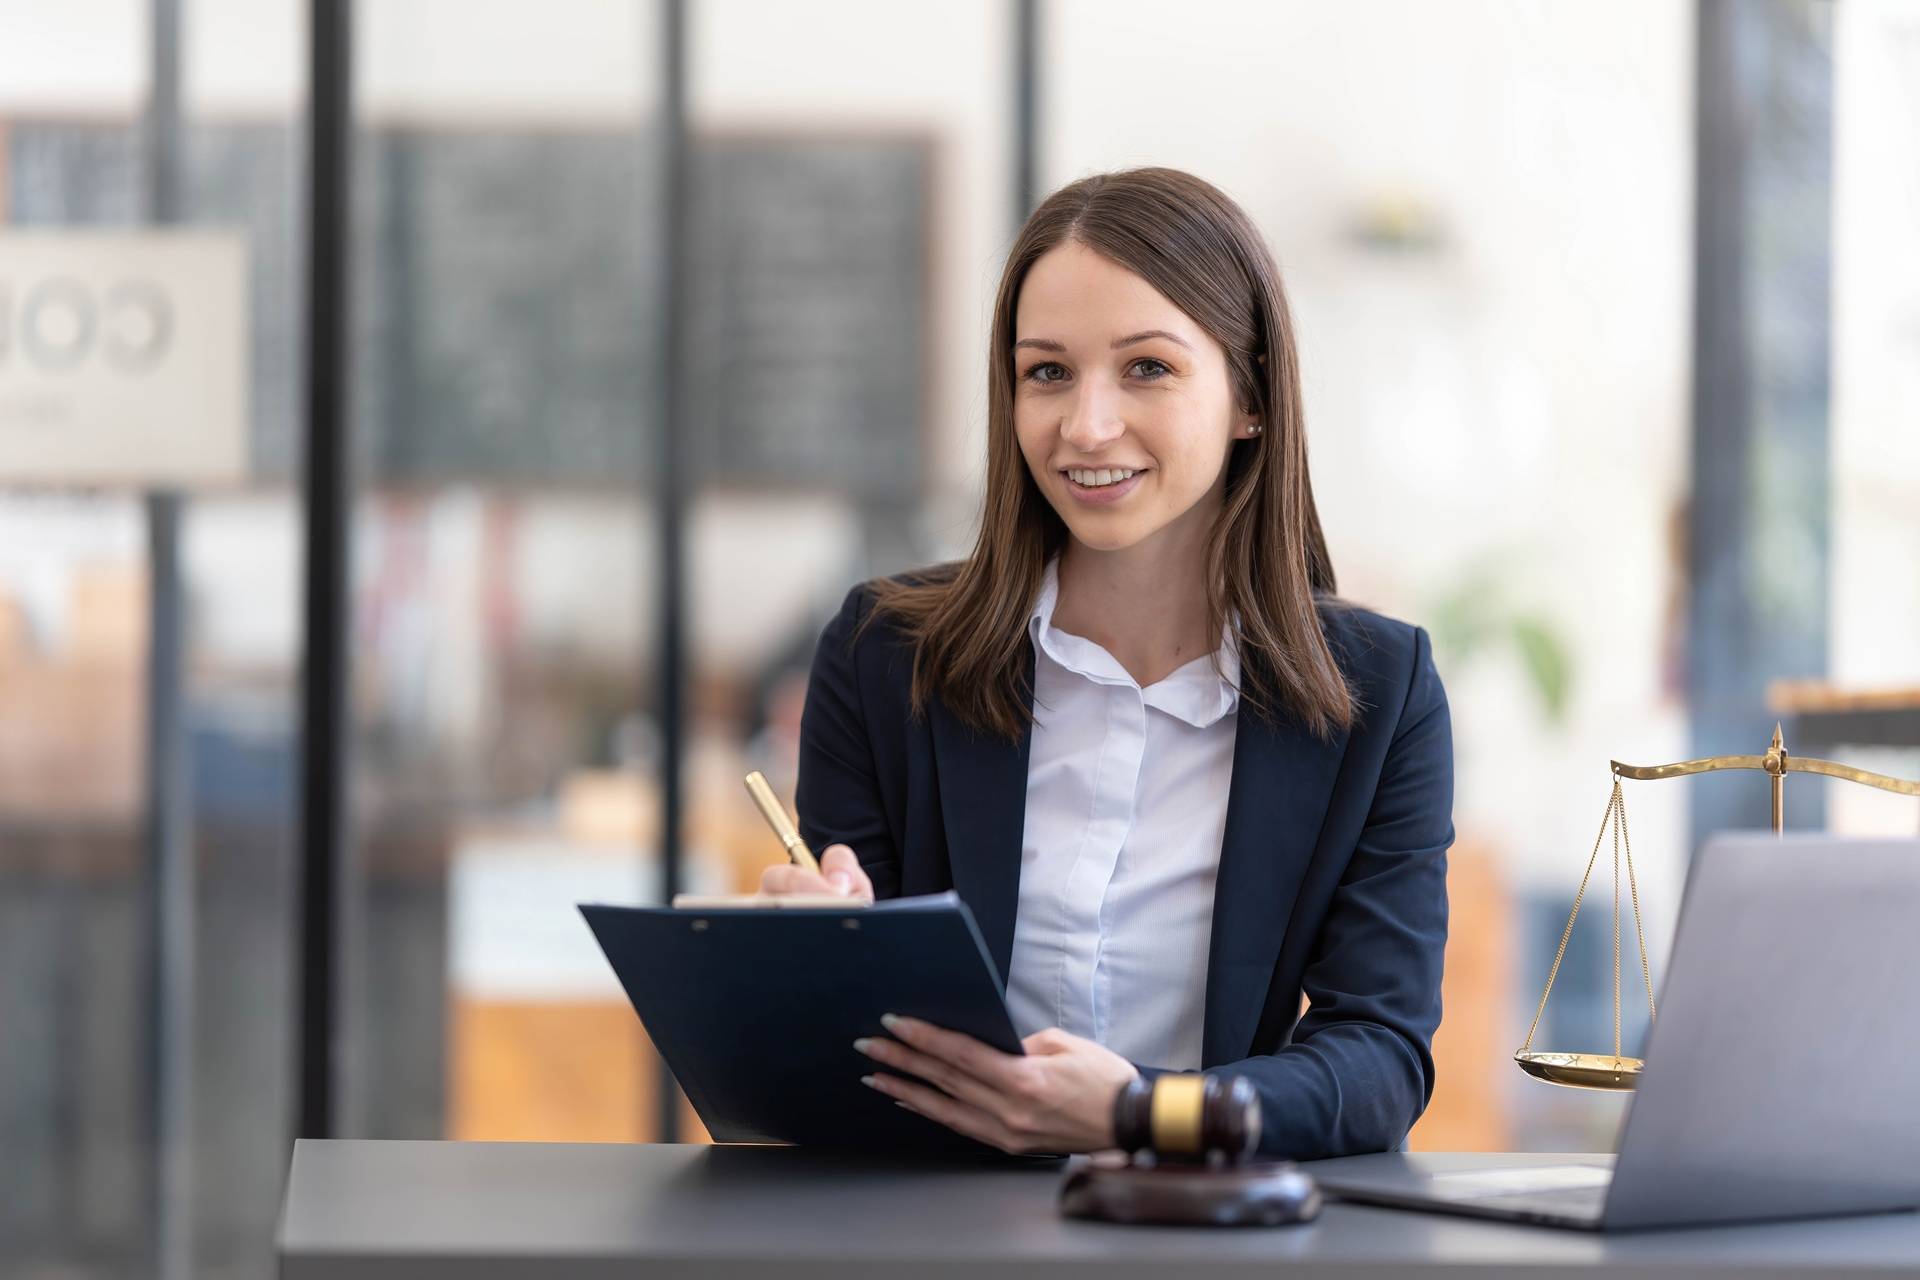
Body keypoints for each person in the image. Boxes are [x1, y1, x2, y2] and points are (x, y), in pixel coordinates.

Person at [761, 167, 1453, 1160]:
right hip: (933, 1234)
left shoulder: (1379, 695)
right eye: (1047, 371)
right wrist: (800, 965)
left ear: (1249, 394)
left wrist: (1142, 1112)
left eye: (1146, 369)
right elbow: (846, 1062)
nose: (1086, 426)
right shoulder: (882, 658)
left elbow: (1379, 1060)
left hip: (1208, 1226)